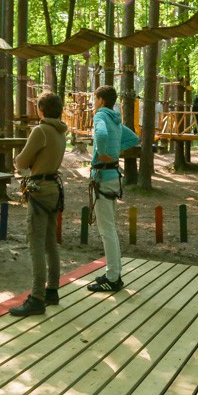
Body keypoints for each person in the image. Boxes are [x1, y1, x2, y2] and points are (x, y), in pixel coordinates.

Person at [8, 92, 69, 317]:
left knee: (36, 243)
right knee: (50, 242)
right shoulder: (60, 131)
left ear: (41, 110)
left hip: (40, 189)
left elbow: (22, 161)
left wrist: (19, 161)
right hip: (53, 189)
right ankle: (52, 290)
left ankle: (37, 297)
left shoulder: (41, 131)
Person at [87, 86, 139, 292]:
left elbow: (100, 134)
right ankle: (113, 273)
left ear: (101, 100)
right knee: (110, 228)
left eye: (95, 99)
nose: (94, 103)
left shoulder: (100, 116)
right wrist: (116, 150)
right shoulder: (115, 119)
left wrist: (102, 152)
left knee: (106, 230)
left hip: (103, 177)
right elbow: (133, 138)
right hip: (113, 177)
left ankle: (113, 277)